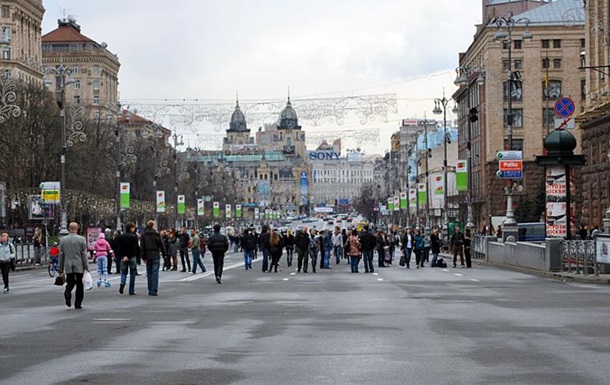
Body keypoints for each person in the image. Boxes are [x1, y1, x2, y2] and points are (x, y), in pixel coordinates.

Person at [58, 222, 89, 309]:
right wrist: (86, 266)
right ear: (77, 228)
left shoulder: (63, 240)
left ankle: (67, 292)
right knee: (79, 283)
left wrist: (60, 268)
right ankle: (78, 303)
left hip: (68, 265)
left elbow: (61, 254)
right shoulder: (81, 239)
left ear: (69, 229)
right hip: (79, 265)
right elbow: (84, 254)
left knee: (70, 282)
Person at [140, 220, 166, 296]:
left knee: (149, 273)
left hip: (148, 255)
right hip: (155, 254)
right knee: (155, 273)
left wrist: (143, 257)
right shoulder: (156, 234)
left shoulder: (144, 235)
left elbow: (142, 247)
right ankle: (154, 289)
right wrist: (165, 255)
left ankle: (150, 289)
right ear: (152, 226)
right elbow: (161, 245)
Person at [116, 222, 140, 295]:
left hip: (123, 257)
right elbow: (135, 248)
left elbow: (119, 248)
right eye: (133, 227)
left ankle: (122, 283)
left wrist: (123, 256)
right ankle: (131, 290)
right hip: (132, 256)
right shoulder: (134, 236)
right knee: (132, 273)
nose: (134, 229)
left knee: (123, 272)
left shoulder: (121, 236)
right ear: (131, 228)